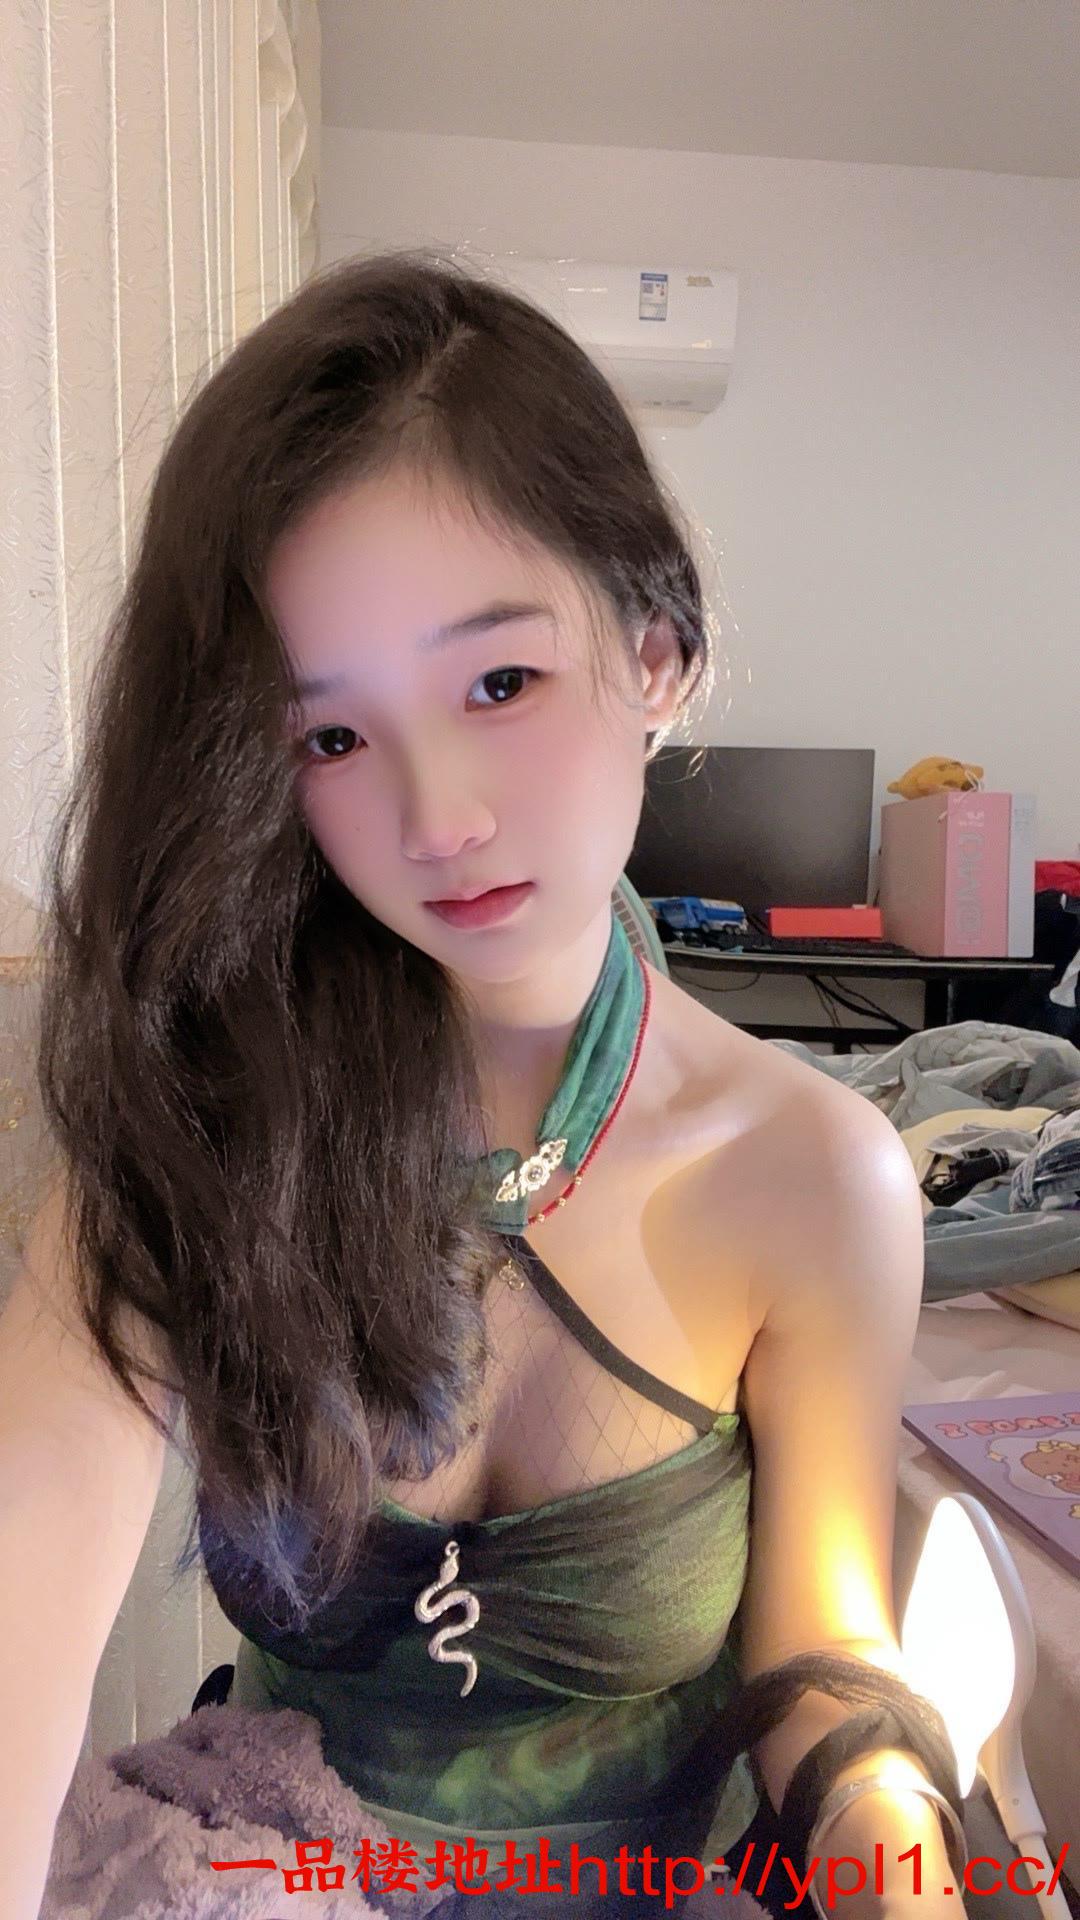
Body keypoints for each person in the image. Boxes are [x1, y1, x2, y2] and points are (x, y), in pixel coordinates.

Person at [1, 252, 964, 1920]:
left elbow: (822, 1648)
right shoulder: (203, 1126)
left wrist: (896, 1839)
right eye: (329, 736)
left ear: (658, 651)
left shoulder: (814, 1173)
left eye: (499, 682)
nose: (436, 817)